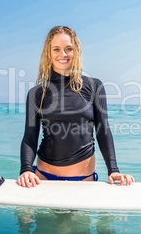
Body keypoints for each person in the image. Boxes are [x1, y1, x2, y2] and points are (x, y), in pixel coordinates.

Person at [17, 26, 134, 188]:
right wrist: (26, 170)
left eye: (68, 49)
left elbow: (103, 130)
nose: (62, 54)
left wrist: (113, 170)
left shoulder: (94, 86)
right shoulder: (37, 93)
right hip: (44, 178)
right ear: (48, 53)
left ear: (76, 51)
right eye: (56, 49)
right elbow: (30, 137)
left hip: (83, 180)